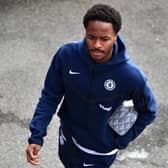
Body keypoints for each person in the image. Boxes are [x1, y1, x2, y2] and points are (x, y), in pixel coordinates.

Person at [26, 3, 158, 168]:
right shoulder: (66, 55)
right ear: (85, 33)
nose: (97, 44)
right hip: (68, 139)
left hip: (100, 153)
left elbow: (149, 111)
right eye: (91, 37)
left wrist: (120, 140)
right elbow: (50, 96)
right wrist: (37, 135)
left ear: (115, 36)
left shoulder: (131, 76)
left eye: (105, 39)